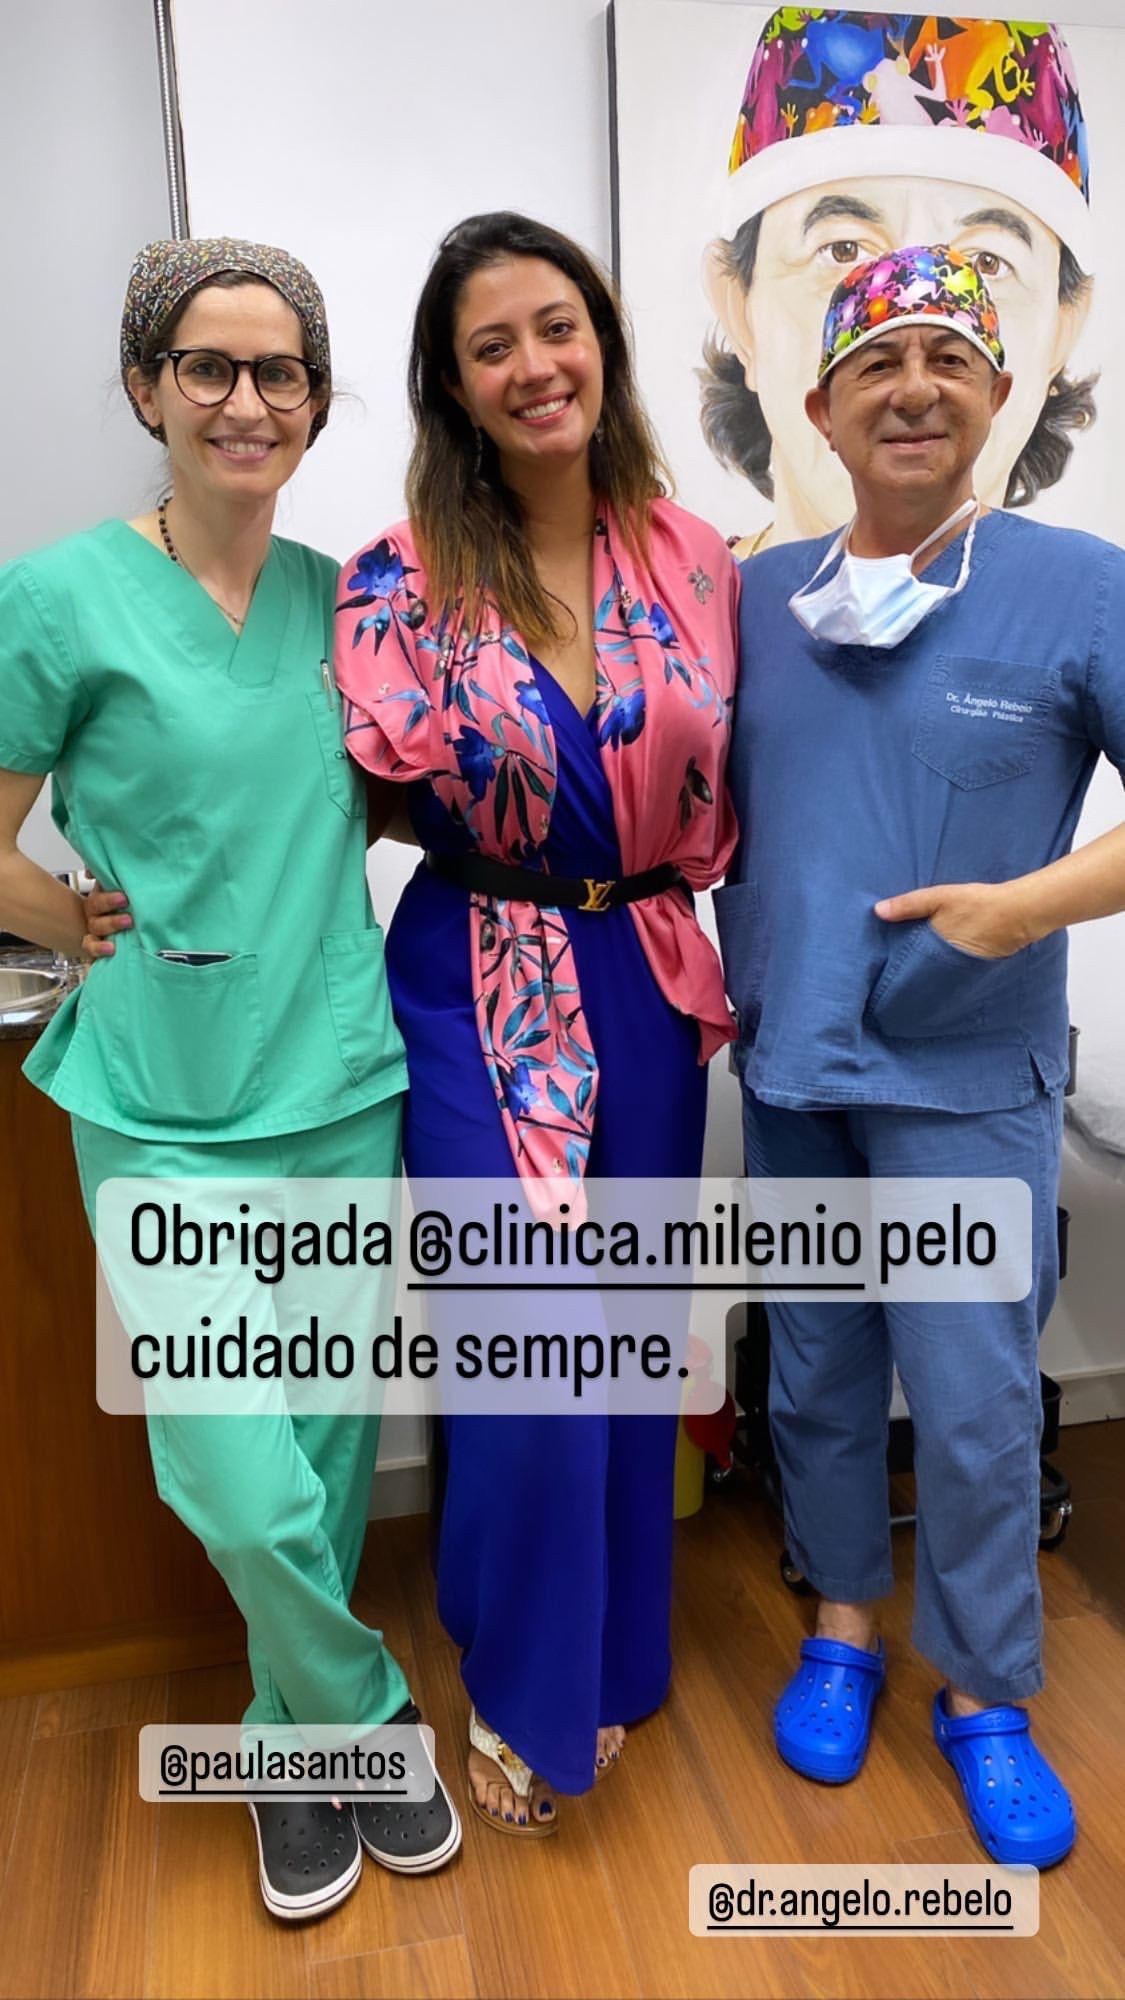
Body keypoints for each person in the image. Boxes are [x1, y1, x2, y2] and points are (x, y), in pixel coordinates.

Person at [0, 238, 460, 1919]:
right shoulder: (57, 597)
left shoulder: (356, 603)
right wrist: (69, 913)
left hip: (336, 1084)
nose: (246, 400)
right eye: (208, 366)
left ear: (317, 403)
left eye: (280, 372)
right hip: (158, 1102)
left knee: (322, 1472)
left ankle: (289, 1749)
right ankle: (368, 1715)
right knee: (238, 1483)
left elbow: (409, 791)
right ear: (149, 386)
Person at [719, 240, 1125, 1868]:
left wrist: (1023, 908)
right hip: (795, 1065)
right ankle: (842, 1626)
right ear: (820, 406)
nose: (912, 388)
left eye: (948, 356)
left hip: (963, 1075)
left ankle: (983, 1690)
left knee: (968, 1404)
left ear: (1000, 393)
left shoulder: (1076, 584)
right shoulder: (754, 600)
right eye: (875, 361)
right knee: (816, 1376)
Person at [334, 211, 739, 1833]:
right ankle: (520, 1680)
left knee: (625, 1336)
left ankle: (611, 1652)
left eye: (555, 327)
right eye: (489, 344)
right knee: (529, 1337)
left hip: (643, 969)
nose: (531, 364)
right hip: (473, 971)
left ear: (603, 342)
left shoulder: (697, 557)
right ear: (453, 383)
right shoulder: (398, 578)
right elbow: (337, 803)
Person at [702, 10, 1095, 553]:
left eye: (986, 263)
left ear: (1062, 330)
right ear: (739, 308)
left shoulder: (1096, 596)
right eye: (844, 251)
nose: (910, 329)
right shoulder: (687, 605)